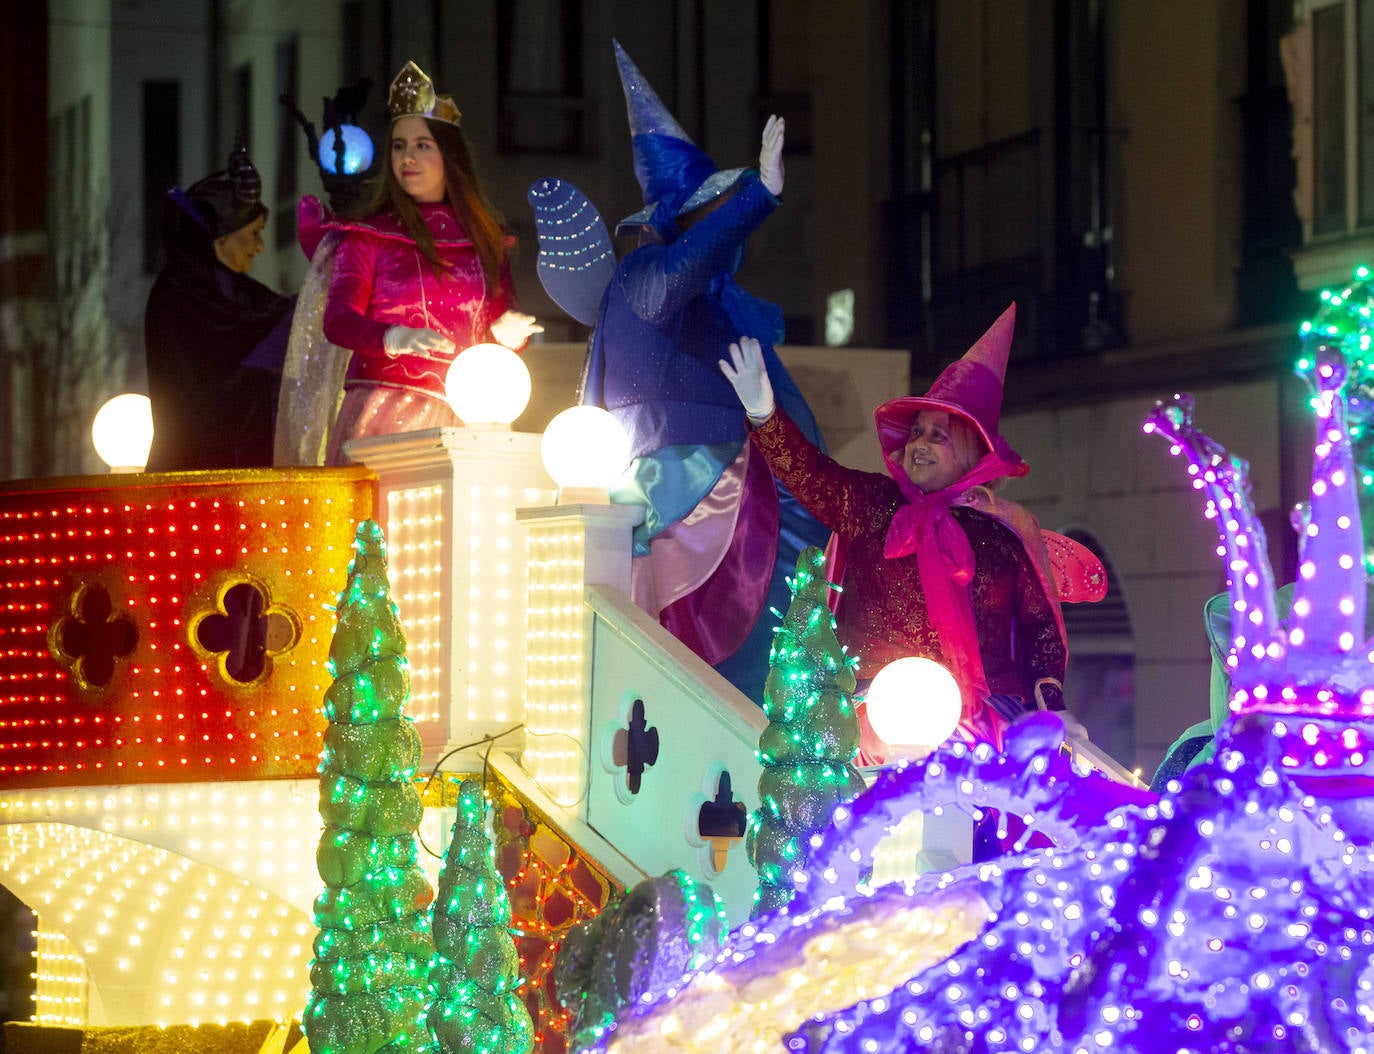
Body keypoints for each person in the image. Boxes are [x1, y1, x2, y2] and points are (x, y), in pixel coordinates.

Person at [577, 41, 830, 701]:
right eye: (714, 213)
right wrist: (762, 196)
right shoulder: (643, 278)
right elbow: (681, 271)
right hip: (685, 489)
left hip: (733, 484)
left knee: (765, 617)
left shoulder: (718, 304)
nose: (728, 231)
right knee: (697, 641)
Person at [721, 305, 1075, 756]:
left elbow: (1039, 629)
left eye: (937, 437)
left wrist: (1055, 706)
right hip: (872, 725)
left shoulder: (1003, 534)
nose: (918, 445)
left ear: (970, 454)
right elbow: (811, 476)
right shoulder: (874, 504)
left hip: (981, 735)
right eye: (916, 433)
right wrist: (764, 413)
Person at [277, 60, 539, 466]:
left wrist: (508, 333)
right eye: (399, 146)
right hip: (383, 418)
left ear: (449, 156)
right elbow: (338, 320)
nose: (407, 158)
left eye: (422, 145)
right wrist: (392, 338)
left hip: (463, 423)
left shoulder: (485, 240)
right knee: (376, 530)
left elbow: (499, 321)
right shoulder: (368, 237)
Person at [145, 141, 293, 472]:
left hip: (247, 469)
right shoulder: (178, 293)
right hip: (192, 472)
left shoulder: (243, 293)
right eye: (253, 233)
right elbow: (238, 340)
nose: (260, 246)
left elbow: (274, 319)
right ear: (220, 237)